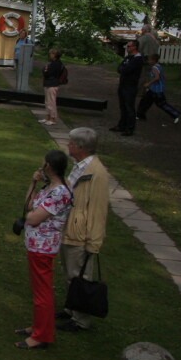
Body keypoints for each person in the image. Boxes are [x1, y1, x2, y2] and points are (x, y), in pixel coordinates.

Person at [15, 149, 73, 350]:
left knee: (43, 292)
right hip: (36, 245)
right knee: (38, 289)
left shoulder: (60, 192)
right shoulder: (49, 187)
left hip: (43, 247)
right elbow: (28, 205)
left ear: (48, 166)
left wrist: (30, 215)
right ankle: (38, 326)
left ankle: (42, 335)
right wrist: (33, 183)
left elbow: (32, 217)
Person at [58, 127, 110, 333]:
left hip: (81, 232)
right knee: (69, 272)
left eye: (70, 143)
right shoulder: (79, 166)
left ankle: (81, 320)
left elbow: (98, 210)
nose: (68, 145)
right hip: (69, 225)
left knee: (79, 275)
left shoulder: (97, 174)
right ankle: (71, 309)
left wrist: (94, 242)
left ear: (80, 147)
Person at [137, 53, 181, 124]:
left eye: (149, 60)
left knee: (161, 104)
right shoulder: (159, 66)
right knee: (145, 101)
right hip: (153, 89)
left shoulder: (155, 67)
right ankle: (140, 115)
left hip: (157, 90)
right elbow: (163, 76)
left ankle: (175, 114)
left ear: (153, 60)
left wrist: (149, 84)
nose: (148, 61)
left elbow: (157, 77)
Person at [112, 39, 144, 136]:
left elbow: (126, 70)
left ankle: (130, 128)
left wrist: (123, 69)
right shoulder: (128, 58)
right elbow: (120, 68)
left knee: (129, 107)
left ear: (134, 47)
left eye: (129, 46)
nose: (127, 48)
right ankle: (122, 125)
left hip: (130, 86)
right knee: (122, 106)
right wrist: (123, 69)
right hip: (123, 84)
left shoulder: (137, 59)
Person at [40, 48, 64, 125]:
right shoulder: (52, 63)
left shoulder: (57, 64)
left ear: (55, 55)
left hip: (52, 84)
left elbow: (49, 73)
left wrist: (45, 71)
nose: (50, 55)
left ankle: (53, 118)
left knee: (51, 102)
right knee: (47, 101)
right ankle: (47, 116)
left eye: (51, 53)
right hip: (48, 83)